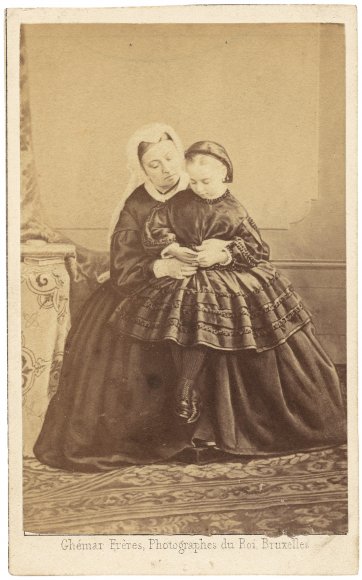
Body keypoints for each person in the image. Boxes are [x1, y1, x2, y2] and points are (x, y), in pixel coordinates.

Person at [108, 141, 347, 450]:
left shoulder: (233, 209)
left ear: (223, 174)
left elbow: (257, 248)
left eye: (205, 181)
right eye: (193, 181)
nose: (199, 188)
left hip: (228, 279)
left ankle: (209, 401)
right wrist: (173, 248)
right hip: (186, 272)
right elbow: (157, 226)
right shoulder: (180, 200)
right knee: (186, 319)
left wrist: (223, 253)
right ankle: (185, 388)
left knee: (211, 317)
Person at [34, 123, 205, 472]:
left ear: (180, 155)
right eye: (153, 164)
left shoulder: (203, 190)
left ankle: (212, 430)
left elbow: (231, 231)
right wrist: (161, 267)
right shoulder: (137, 202)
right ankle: (156, 434)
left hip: (204, 284)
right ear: (141, 169)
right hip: (144, 286)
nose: (165, 169)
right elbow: (124, 264)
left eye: (170, 158)